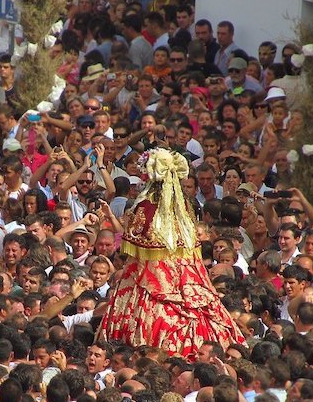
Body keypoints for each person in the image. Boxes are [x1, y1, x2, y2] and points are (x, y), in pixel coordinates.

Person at [99, 148, 244, 358]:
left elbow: (132, 242)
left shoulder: (145, 207)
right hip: (185, 273)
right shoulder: (184, 205)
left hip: (148, 275)